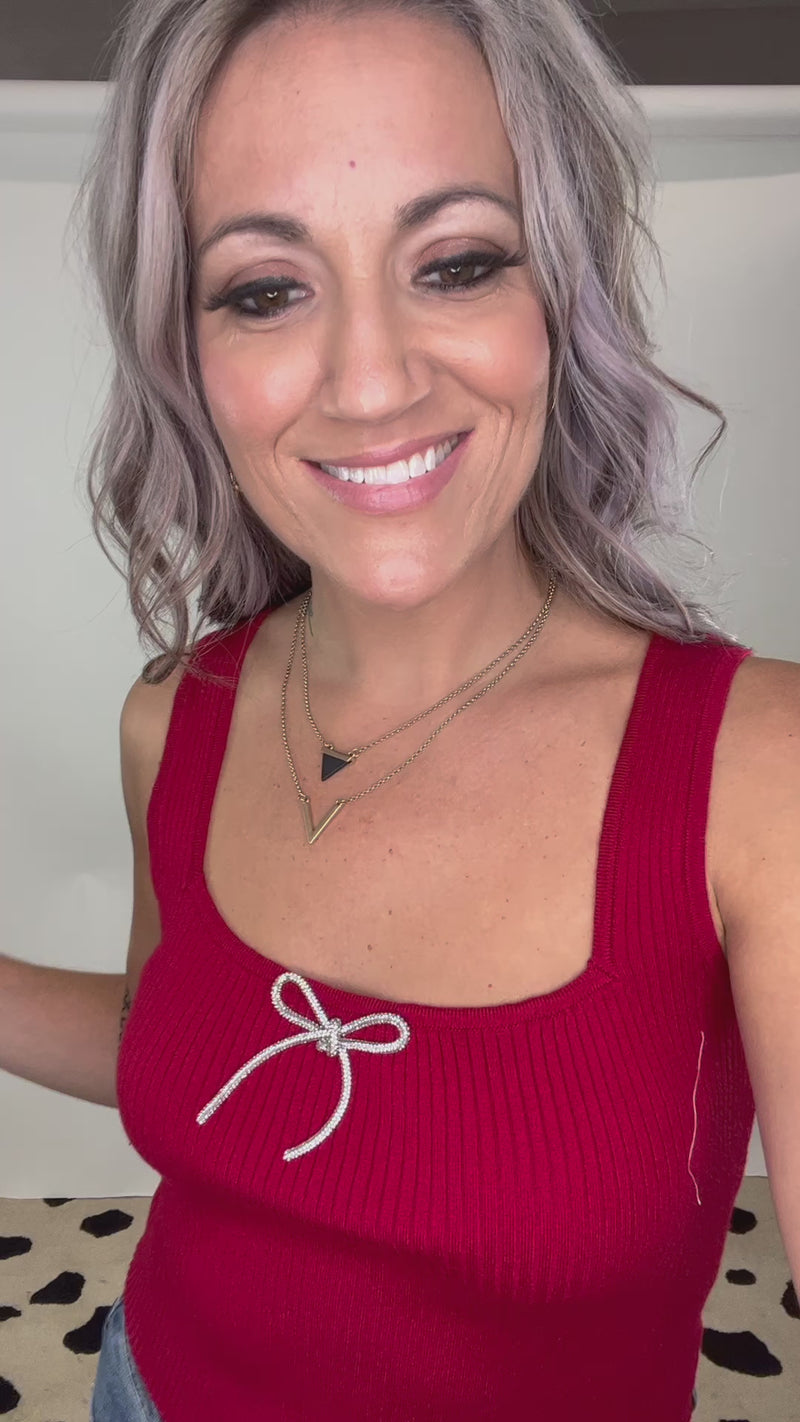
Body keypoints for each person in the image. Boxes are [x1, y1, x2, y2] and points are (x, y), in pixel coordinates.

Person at [2, 0, 798, 1418]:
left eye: (458, 263)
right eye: (264, 289)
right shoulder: (174, 717)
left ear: (561, 294)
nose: (371, 381)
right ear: (188, 352)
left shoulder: (757, 775)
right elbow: (175, 1030)